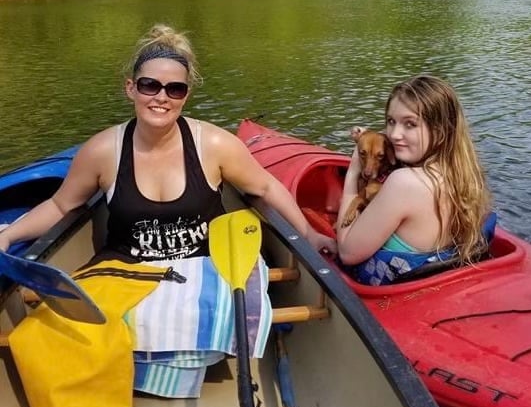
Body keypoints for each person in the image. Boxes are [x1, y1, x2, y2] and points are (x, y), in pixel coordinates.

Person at [0, 23, 336, 259]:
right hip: (128, 271)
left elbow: (266, 188)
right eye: (150, 86)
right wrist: (10, 235)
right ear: (130, 87)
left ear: (185, 95)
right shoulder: (103, 151)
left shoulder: (215, 145)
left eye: (174, 89)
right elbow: (61, 206)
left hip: (202, 267)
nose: (161, 97)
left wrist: (308, 234)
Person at [336, 74, 492, 285]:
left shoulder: (404, 183)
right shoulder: (464, 175)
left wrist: (354, 171)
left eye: (410, 124)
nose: (394, 134)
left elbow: (347, 252)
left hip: (388, 295)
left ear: (440, 132)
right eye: (391, 122)